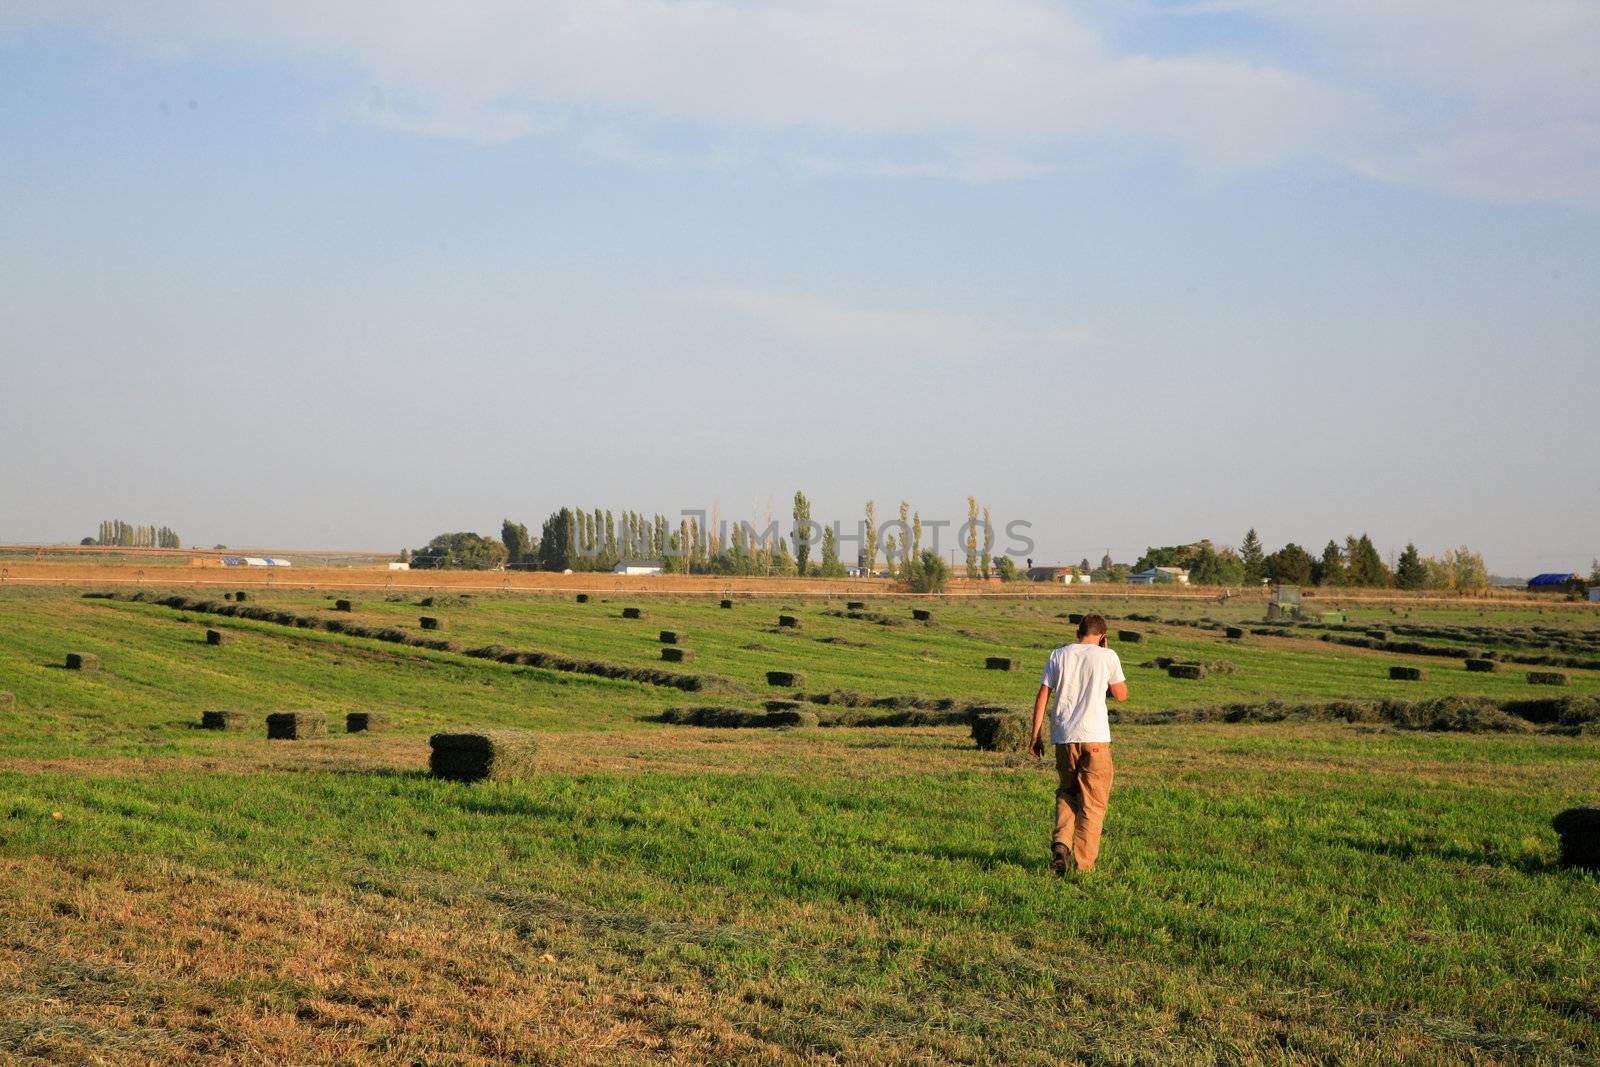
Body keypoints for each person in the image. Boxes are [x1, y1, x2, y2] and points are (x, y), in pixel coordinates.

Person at [1030, 613, 1128, 874]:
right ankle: (1083, 868)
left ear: (1078, 632)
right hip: (1094, 737)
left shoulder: (1058, 655)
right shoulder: (1108, 656)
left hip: (1063, 738)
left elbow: (1042, 696)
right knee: (1093, 804)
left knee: (1067, 792)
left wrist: (1035, 735)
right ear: (1102, 636)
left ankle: (1061, 844)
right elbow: (1121, 696)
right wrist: (1105, 657)